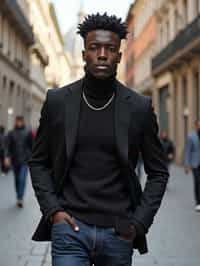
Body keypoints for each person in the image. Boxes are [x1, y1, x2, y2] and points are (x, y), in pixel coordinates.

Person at [29, 13, 169, 266]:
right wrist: (54, 212)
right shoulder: (58, 102)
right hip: (70, 231)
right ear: (84, 55)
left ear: (119, 56)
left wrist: (138, 224)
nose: (102, 54)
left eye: (110, 49)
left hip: (118, 233)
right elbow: (38, 162)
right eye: (94, 48)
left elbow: (158, 172)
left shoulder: (139, 107)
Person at [5, 116, 33, 208]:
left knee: (22, 179)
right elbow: (7, 146)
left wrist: (31, 157)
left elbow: (32, 145)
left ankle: (20, 198)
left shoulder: (28, 132)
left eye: (20, 121)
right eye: (17, 121)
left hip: (25, 160)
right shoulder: (11, 133)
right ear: (16, 122)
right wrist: (7, 157)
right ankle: (18, 195)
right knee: (17, 180)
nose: (19, 123)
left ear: (23, 122)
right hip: (15, 160)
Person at [185, 120, 200, 212]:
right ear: (196, 126)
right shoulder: (191, 136)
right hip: (195, 164)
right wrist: (187, 165)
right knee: (197, 182)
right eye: (199, 125)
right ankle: (198, 202)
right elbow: (188, 151)